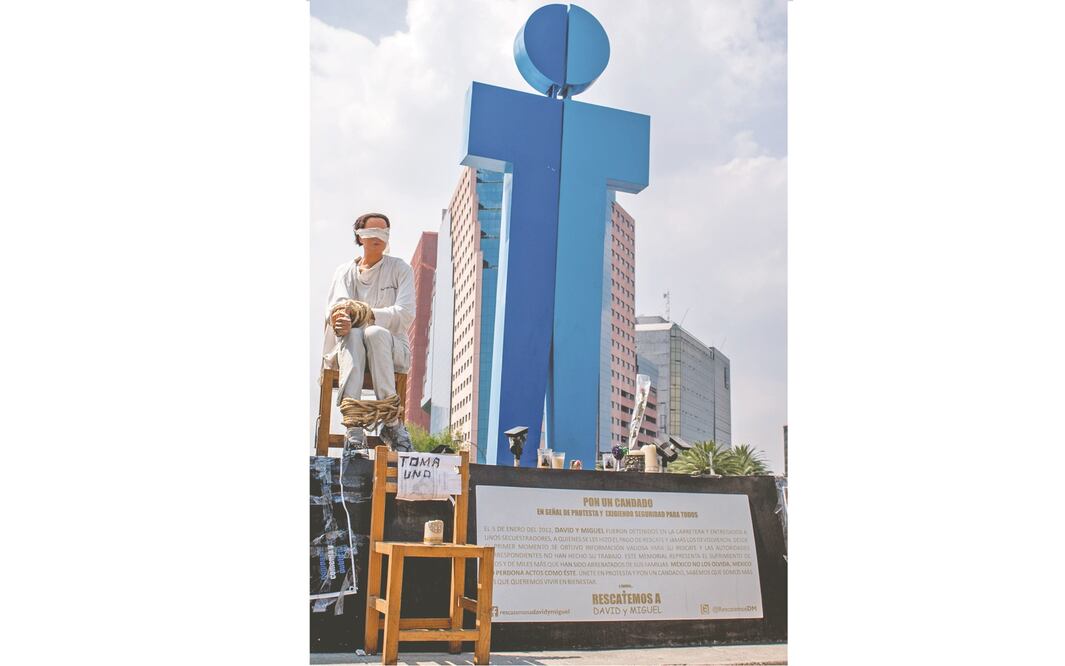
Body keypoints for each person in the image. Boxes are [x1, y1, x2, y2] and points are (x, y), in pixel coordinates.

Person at [321, 212, 415, 451]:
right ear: (359, 237)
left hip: (391, 348)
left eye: (383, 232)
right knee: (353, 334)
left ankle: (392, 423)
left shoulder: (400, 269)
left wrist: (367, 314)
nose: (377, 237)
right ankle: (354, 427)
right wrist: (340, 319)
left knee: (374, 333)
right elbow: (337, 306)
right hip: (351, 351)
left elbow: (404, 314)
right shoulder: (345, 272)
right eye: (371, 232)